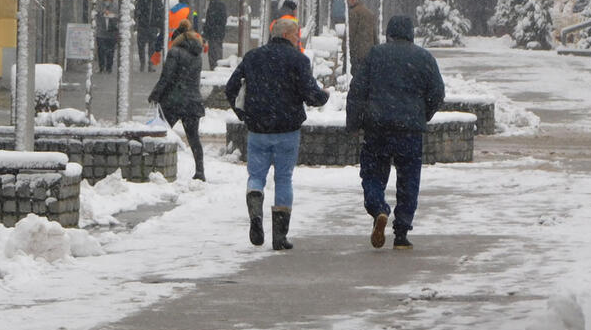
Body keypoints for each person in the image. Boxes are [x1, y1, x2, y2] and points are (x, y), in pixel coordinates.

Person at [225, 17, 329, 250]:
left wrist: (244, 114)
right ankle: (280, 238)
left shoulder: (253, 57)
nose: (298, 40)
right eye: (296, 36)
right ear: (286, 35)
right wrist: (324, 95)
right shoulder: (298, 60)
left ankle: (255, 209)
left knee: (256, 176)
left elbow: (231, 87)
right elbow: (310, 94)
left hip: (258, 129)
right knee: (283, 179)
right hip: (287, 130)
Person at [346, 15, 445, 251]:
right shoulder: (424, 58)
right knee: (409, 179)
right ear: (411, 33)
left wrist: (353, 123)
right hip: (409, 131)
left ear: (389, 33)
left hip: (377, 128)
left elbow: (357, 91)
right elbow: (437, 92)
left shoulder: (375, 55)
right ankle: (401, 232)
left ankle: (378, 207)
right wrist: (422, 114)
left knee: (372, 174)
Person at [148, 19, 206, 181]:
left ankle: (155, 168)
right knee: (194, 138)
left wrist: (155, 95)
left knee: (161, 134)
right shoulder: (197, 55)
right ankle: (200, 171)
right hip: (193, 102)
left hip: (174, 102)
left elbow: (167, 78)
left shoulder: (174, 53)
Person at [134, 0, 164, 72]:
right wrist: (139, 18)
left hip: (153, 27)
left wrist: (160, 26)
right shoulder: (143, 1)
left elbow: (161, 14)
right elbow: (137, 11)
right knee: (141, 46)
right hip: (143, 26)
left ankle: (150, 64)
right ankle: (142, 63)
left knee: (152, 47)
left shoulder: (158, 2)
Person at [345, 0, 378, 70]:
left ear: (353, 0)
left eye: (348, 0)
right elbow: (375, 35)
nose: (348, 2)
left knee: (357, 77)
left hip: (358, 52)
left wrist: (345, 49)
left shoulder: (353, 13)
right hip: (370, 52)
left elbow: (350, 33)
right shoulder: (369, 13)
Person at [202, 0, 228, 70]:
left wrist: (205, 34)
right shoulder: (222, 5)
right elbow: (224, 20)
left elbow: (209, 21)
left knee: (213, 54)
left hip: (213, 34)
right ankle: (219, 68)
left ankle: (214, 69)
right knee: (219, 52)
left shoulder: (212, 5)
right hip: (220, 34)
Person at [95, 0, 119, 73]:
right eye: (105, 0)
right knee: (101, 50)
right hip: (101, 32)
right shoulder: (100, 4)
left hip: (112, 32)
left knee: (110, 51)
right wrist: (102, 13)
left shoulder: (116, 5)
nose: (107, 2)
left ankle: (109, 67)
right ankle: (101, 67)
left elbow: (119, 15)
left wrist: (113, 15)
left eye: (108, 0)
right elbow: (96, 13)